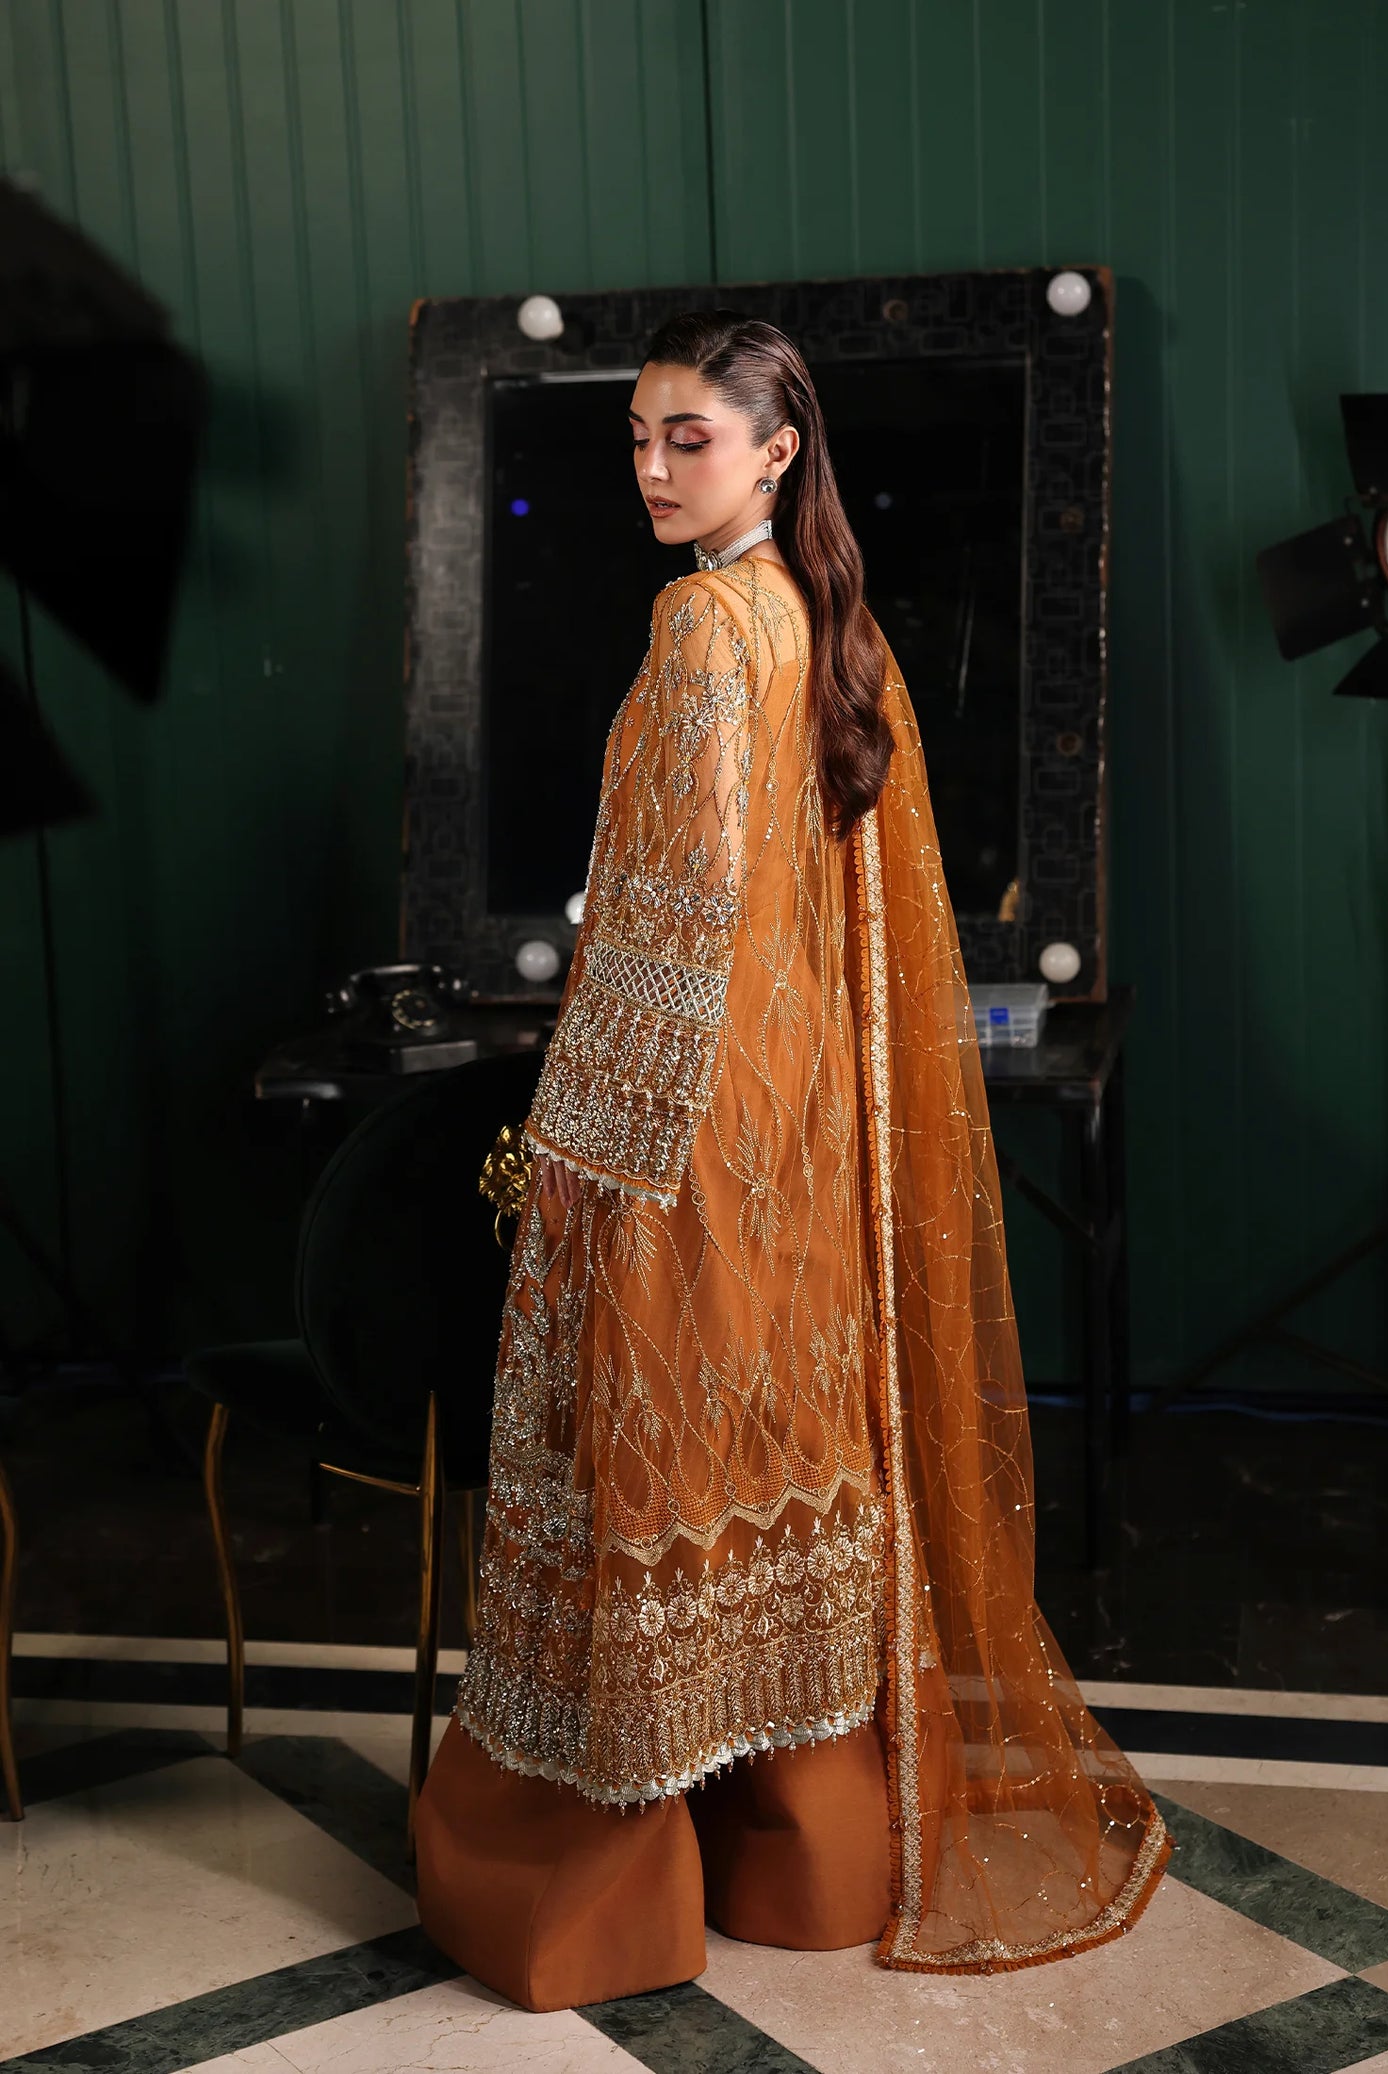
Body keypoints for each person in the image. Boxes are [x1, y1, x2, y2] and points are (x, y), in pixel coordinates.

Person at [414, 310, 1171, 2012]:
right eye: (636, 440)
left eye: (689, 440)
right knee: (785, 1473)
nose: (653, 471)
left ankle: (600, 1899)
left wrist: (569, 1165)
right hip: (799, 1147)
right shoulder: (832, 630)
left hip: (680, 1148)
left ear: (775, 451)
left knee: (651, 1484)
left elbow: (669, 940)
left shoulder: (701, 632)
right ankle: (812, 1858)